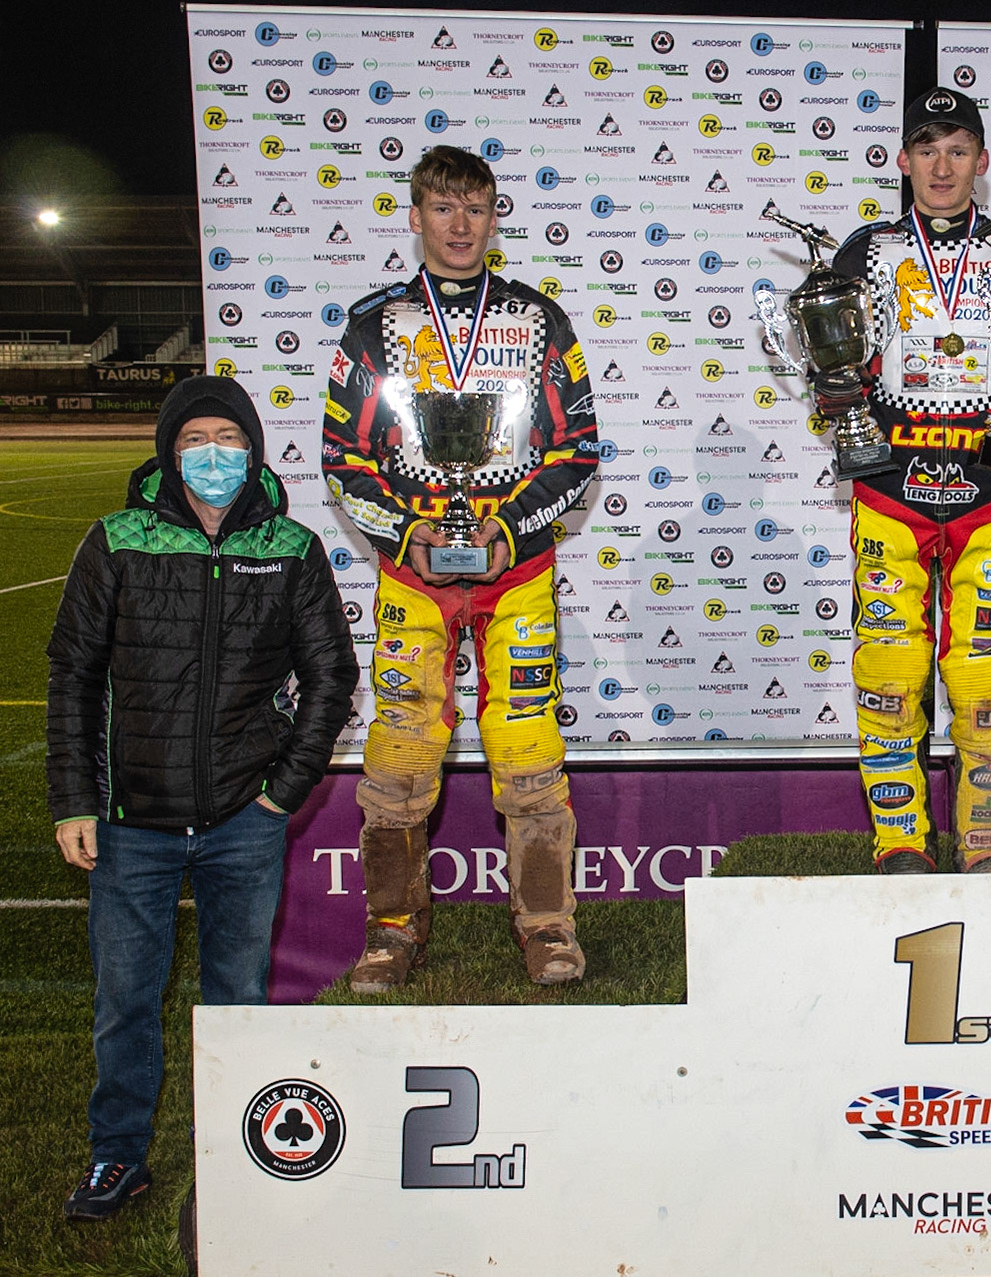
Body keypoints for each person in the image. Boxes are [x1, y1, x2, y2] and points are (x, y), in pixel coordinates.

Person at [47, 375, 358, 1220]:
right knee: (126, 1003)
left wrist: (281, 791)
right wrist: (75, 799)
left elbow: (333, 676)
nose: (212, 453)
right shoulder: (115, 540)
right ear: (168, 450)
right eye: (194, 439)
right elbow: (73, 675)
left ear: (253, 449)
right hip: (129, 825)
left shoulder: (291, 547)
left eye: (228, 436)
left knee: (237, 998)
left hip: (241, 823)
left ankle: (236, 1154)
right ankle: (118, 1157)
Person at [321, 145, 600, 989]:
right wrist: (408, 535)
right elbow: (343, 457)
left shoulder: (541, 320)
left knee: (529, 752)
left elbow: (577, 451)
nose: (459, 224)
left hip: (516, 571)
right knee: (401, 755)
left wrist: (509, 531)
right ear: (415, 217)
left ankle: (547, 927)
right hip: (414, 574)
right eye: (443, 208)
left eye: (476, 208)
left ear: (495, 218)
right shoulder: (373, 325)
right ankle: (393, 931)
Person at [824, 86, 991, 873]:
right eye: (927, 149)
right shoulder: (863, 252)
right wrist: (837, 400)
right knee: (889, 672)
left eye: (958, 149)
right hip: (891, 495)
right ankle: (900, 841)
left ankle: (984, 843)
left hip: (986, 498)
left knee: (984, 680)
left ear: (982, 161)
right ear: (902, 162)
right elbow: (835, 370)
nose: (943, 166)